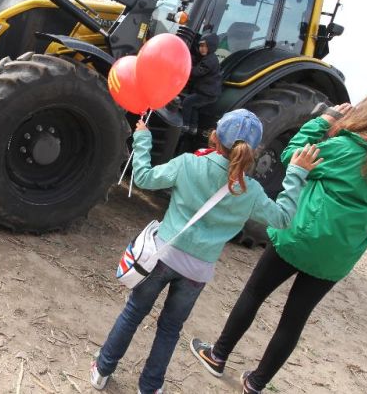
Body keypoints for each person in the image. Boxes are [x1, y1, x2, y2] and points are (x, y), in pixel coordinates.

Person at [189, 89, 367, 394]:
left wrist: (324, 120)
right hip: (339, 255)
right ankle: (256, 384)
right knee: (294, 320)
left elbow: (292, 154)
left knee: (255, 292)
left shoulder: (345, 149)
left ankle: (217, 355)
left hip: (299, 236)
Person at [91, 109, 324, 394]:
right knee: (169, 329)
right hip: (197, 272)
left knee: (133, 313)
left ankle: (102, 370)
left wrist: (142, 139)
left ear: (214, 136)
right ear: (254, 150)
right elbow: (283, 218)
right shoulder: (250, 191)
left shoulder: (189, 164)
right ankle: (150, 388)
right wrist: (297, 173)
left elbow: (143, 177)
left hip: (162, 256)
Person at [181, 33, 222, 135]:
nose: (202, 48)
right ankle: (193, 128)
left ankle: (185, 125)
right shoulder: (209, 58)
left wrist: (185, 67)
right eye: (200, 46)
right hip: (208, 92)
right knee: (194, 107)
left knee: (187, 102)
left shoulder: (210, 61)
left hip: (207, 94)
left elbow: (196, 72)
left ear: (211, 47)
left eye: (205, 46)